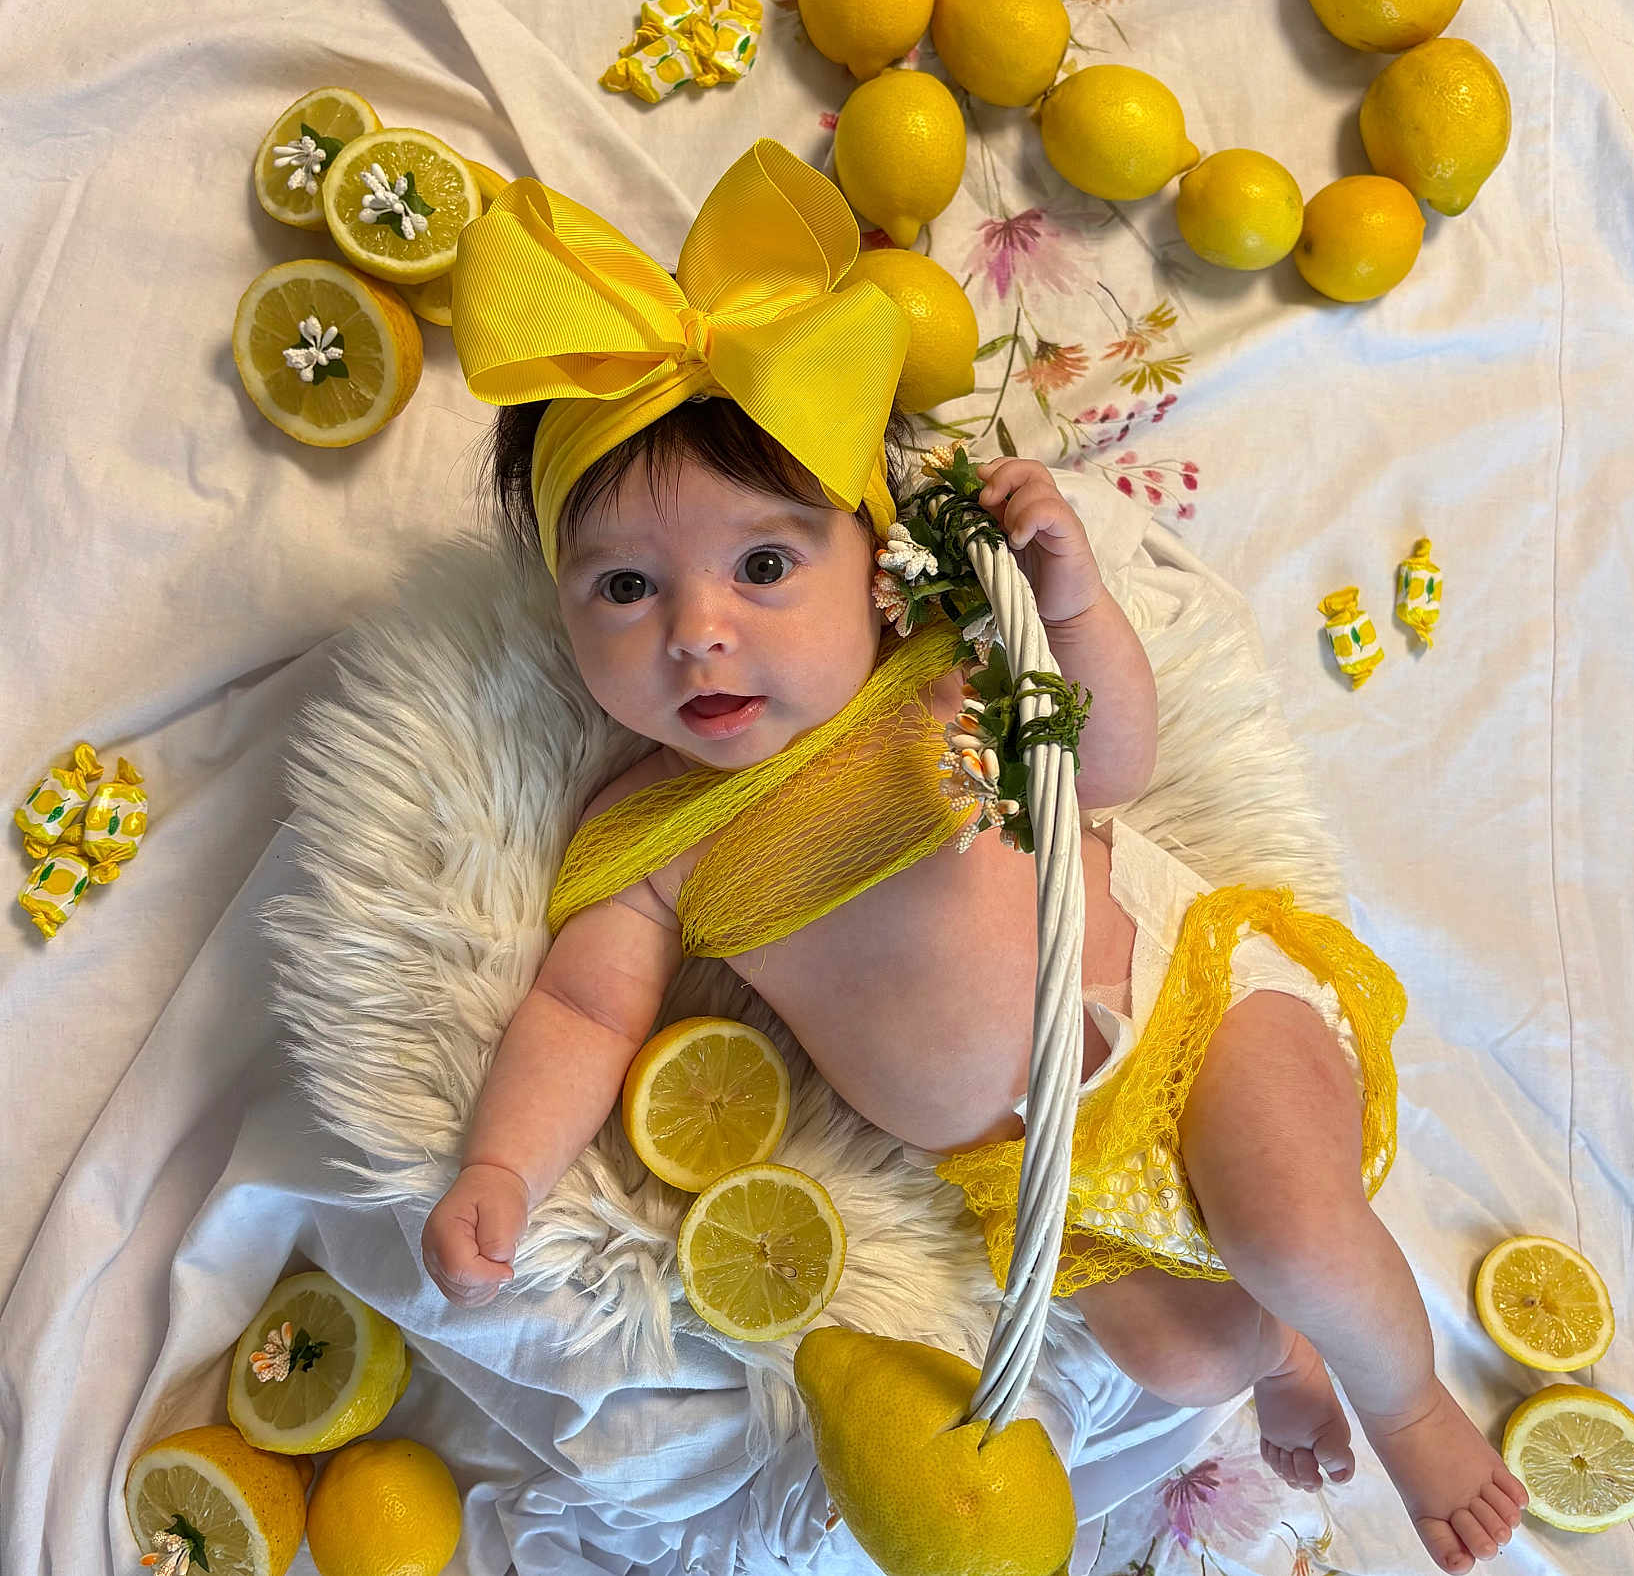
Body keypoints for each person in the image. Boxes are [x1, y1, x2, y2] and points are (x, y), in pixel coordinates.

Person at [420, 138, 1525, 1574]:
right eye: (624, 587)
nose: (697, 632)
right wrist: (502, 1164)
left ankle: (1411, 1404)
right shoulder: (650, 835)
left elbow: (1106, 768)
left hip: (1184, 1009)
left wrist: (1072, 609)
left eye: (765, 566)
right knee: (1182, 1355)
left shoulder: (939, 669)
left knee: (1292, 1226)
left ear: (872, 555)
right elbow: (581, 1011)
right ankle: (1282, 1357)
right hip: (1032, 1174)